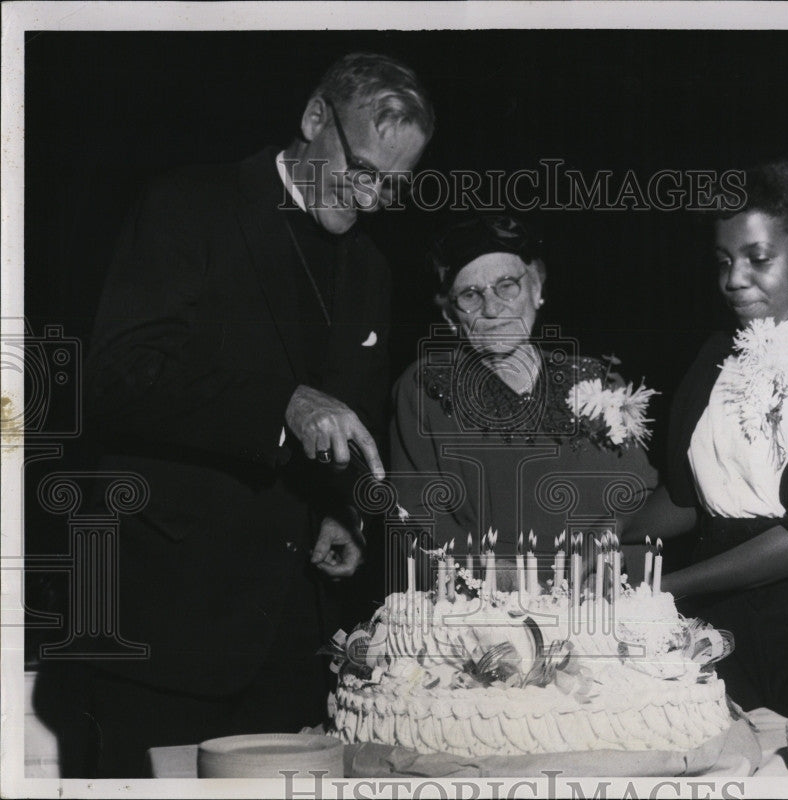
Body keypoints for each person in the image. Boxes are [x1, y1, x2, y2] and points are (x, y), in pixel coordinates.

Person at [40, 53, 433, 777]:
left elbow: (347, 413)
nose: (374, 200)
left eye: (394, 185)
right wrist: (280, 405)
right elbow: (118, 377)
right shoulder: (189, 205)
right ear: (315, 119)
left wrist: (335, 511)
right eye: (365, 170)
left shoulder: (372, 267)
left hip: (291, 645)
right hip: (165, 634)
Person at [625, 161, 788, 720]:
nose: (734, 279)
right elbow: (687, 496)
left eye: (759, 259)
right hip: (720, 632)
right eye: (724, 262)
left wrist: (666, 585)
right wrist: (607, 543)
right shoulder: (713, 358)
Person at [390, 214, 659, 589]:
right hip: (490, 611)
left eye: (507, 286)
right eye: (470, 296)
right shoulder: (426, 388)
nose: (492, 308)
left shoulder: (597, 377)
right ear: (451, 316)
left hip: (601, 598)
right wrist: (508, 580)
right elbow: (417, 517)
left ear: (536, 288)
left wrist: (611, 559)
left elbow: (641, 495)